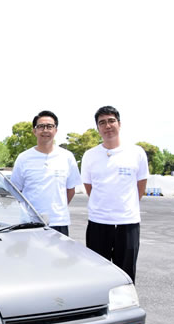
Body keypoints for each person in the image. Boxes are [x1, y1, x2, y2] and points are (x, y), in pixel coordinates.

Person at [80, 106, 149, 283]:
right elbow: (89, 187)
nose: (107, 126)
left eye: (111, 121)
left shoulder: (136, 152)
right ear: (98, 128)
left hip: (128, 223)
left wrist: (125, 205)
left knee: (126, 274)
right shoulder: (90, 155)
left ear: (119, 123)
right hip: (98, 223)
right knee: (97, 275)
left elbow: (140, 185)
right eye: (102, 123)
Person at [10, 110, 81, 236]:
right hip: (30, 223)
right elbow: (16, 191)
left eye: (49, 126)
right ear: (34, 131)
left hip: (59, 222)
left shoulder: (67, 157)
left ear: (56, 130)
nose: (45, 130)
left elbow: (70, 189)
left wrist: (58, 209)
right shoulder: (23, 158)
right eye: (41, 126)